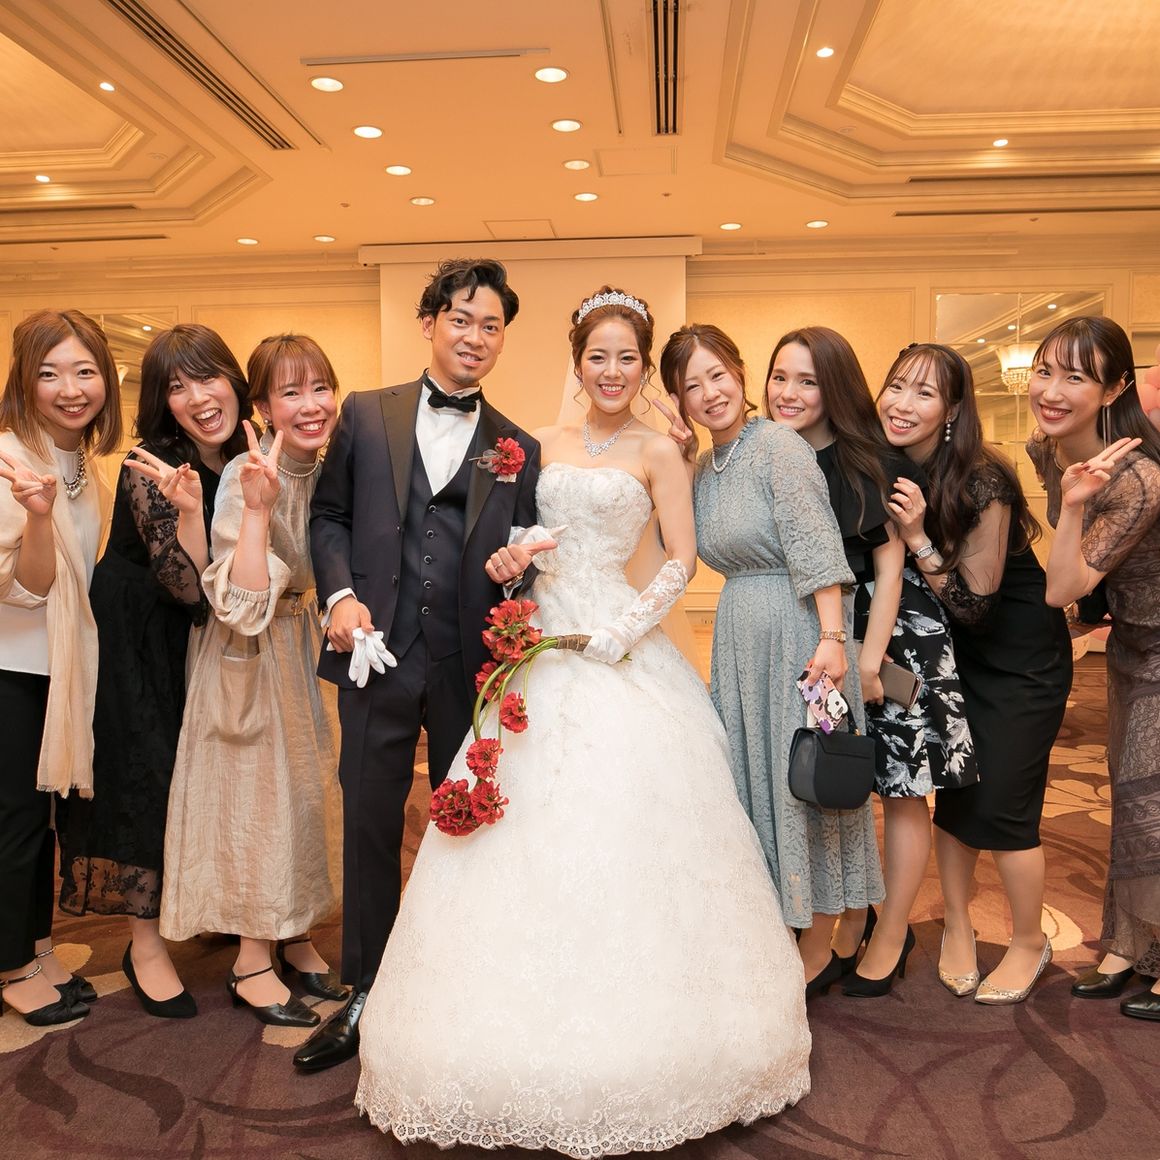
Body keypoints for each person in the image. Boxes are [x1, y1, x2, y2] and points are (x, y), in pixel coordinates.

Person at [355, 287, 810, 1155]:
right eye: (597, 356)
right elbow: (517, 543)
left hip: (616, 643)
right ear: (577, 363)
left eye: (627, 358)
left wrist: (625, 630)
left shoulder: (660, 451)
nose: (612, 370)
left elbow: (680, 559)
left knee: (632, 820)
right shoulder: (537, 445)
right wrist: (511, 561)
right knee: (511, 817)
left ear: (644, 369)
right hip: (539, 640)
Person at [298, 259, 543, 1071]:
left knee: (464, 831)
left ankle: (456, 985)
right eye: (461, 319)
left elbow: (523, 555)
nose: (475, 336)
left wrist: (516, 571)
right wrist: (338, 597)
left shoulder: (517, 446)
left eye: (491, 325)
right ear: (430, 322)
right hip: (375, 654)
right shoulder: (365, 415)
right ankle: (364, 993)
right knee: (369, 823)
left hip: (467, 664)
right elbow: (328, 517)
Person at [659, 323, 883, 1000]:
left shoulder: (778, 446)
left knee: (807, 780)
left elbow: (816, 544)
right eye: (692, 386)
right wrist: (680, 458)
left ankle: (822, 939)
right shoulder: (707, 467)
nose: (710, 393)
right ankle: (785, 923)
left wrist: (832, 640)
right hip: (739, 635)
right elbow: (676, 545)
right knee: (758, 778)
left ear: (738, 373)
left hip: (800, 630)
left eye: (718, 375)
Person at [763, 327, 977, 997]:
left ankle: (886, 931)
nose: (789, 393)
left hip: (884, 640)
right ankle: (848, 916)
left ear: (835, 388)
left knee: (901, 787)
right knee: (829, 779)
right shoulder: (771, 453)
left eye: (808, 380)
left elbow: (889, 570)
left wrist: (867, 660)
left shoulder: (869, 462)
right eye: (780, 377)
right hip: (811, 637)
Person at [57, 324, 250, 1018]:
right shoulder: (152, 464)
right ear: (162, 403)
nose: (198, 397)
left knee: (213, 770)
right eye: (177, 386)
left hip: (205, 635)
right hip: (140, 633)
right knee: (148, 772)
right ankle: (143, 944)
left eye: (208, 377)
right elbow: (189, 587)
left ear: (234, 380)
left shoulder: (246, 452)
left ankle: (210, 902)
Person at [159, 335, 346, 1027]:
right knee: (257, 804)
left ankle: (292, 933)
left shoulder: (326, 467)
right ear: (263, 406)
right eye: (291, 392)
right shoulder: (249, 469)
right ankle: (250, 961)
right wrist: (261, 509)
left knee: (306, 797)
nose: (311, 405)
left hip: (302, 648)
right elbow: (237, 602)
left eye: (321, 387)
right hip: (249, 650)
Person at [880, 343, 1071, 1004]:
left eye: (925, 393)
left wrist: (917, 537)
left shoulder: (984, 479)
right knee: (957, 791)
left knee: (1005, 804)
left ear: (953, 409)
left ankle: (1029, 941)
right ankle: (958, 923)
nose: (904, 404)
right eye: (897, 387)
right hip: (950, 656)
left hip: (1018, 658)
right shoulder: (889, 463)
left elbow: (977, 605)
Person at [1025, 316, 1160, 1020]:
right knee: (1128, 793)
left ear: (1114, 389)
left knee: (1151, 800)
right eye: (1044, 371)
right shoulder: (1046, 448)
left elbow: (1064, 587)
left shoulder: (1138, 477)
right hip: (1133, 641)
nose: (1051, 391)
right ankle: (1129, 945)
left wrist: (1076, 506)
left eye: (1074, 377)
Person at [0, 309, 121, 1024]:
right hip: (13, 666)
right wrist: (39, 517)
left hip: (60, 668)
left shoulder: (84, 465)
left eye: (84, 371)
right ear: (24, 381)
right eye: (49, 374)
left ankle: (37, 946)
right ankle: (12, 966)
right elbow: (28, 587)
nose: (70, 389)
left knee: (44, 819)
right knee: (15, 820)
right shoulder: (10, 459)